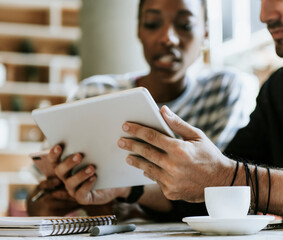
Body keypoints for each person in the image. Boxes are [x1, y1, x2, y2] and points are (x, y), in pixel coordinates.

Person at [108, 0, 283, 228]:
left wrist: (227, 176)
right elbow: (211, 191)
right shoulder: (280, 88)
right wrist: (127, 190)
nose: (264, 15)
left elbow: (228, 178)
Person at [27, 0, 258, 221]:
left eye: (185, 25)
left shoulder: (224, 91)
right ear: (139, 31)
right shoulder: (95, 91)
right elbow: (41, 193)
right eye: (152, 24)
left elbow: (217, 185)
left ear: (206, 32)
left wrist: (131, 202)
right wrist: (45, 199)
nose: (168, 38)